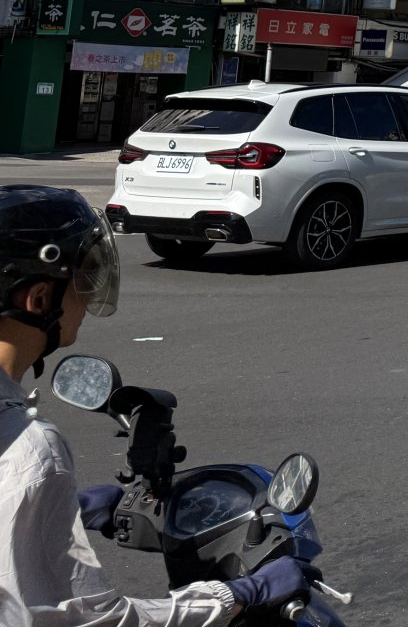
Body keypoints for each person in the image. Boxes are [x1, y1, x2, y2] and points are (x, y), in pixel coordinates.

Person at [0, 185, 316, 624]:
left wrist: (63, 506)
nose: (87, 297)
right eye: (82, 279)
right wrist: (238, 595)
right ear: (38, 299)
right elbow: (94, 620)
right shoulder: (34, 450)